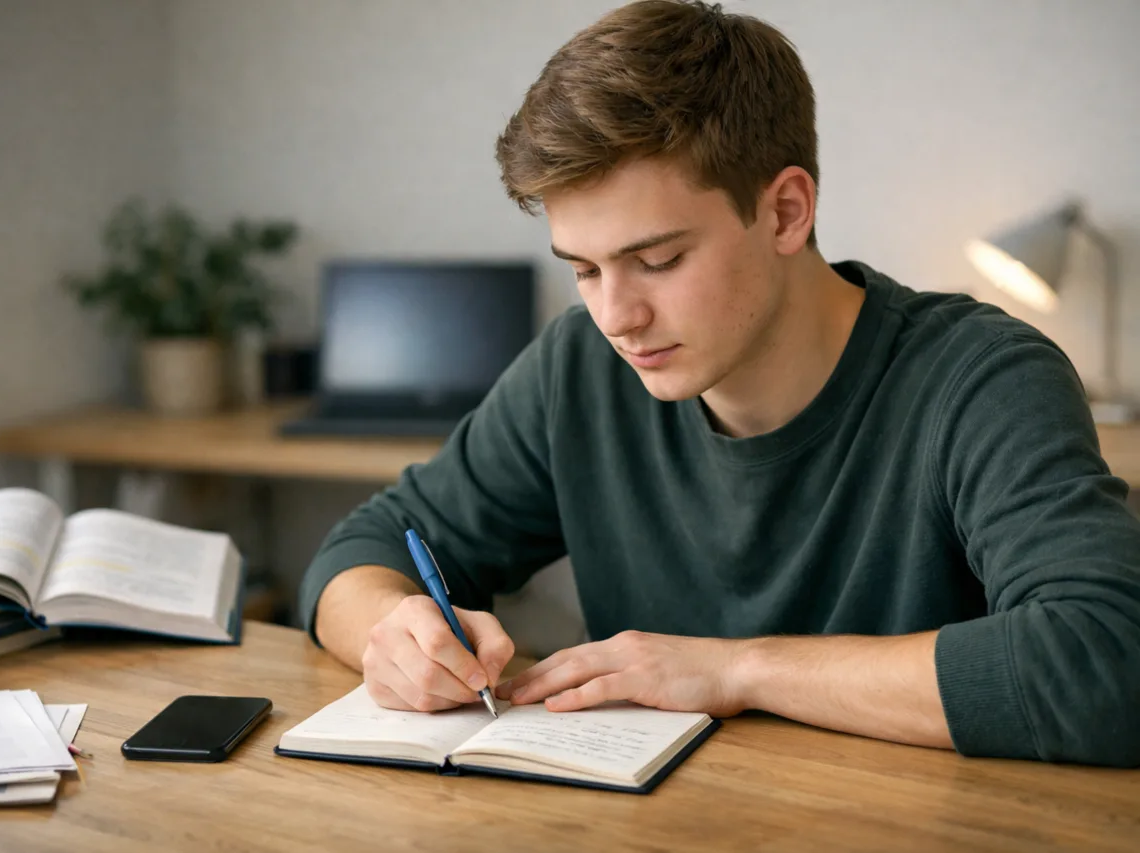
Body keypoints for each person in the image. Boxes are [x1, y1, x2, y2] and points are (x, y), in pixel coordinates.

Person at [297, 0, 1140, 766]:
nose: (616, 315)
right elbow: (363, 549)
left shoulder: (982, 379)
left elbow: (1105, 661)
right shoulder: (580, 368)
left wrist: (737, 668)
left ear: (785, 212)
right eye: (584, 269)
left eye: (656, 260)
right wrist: (393, 630)